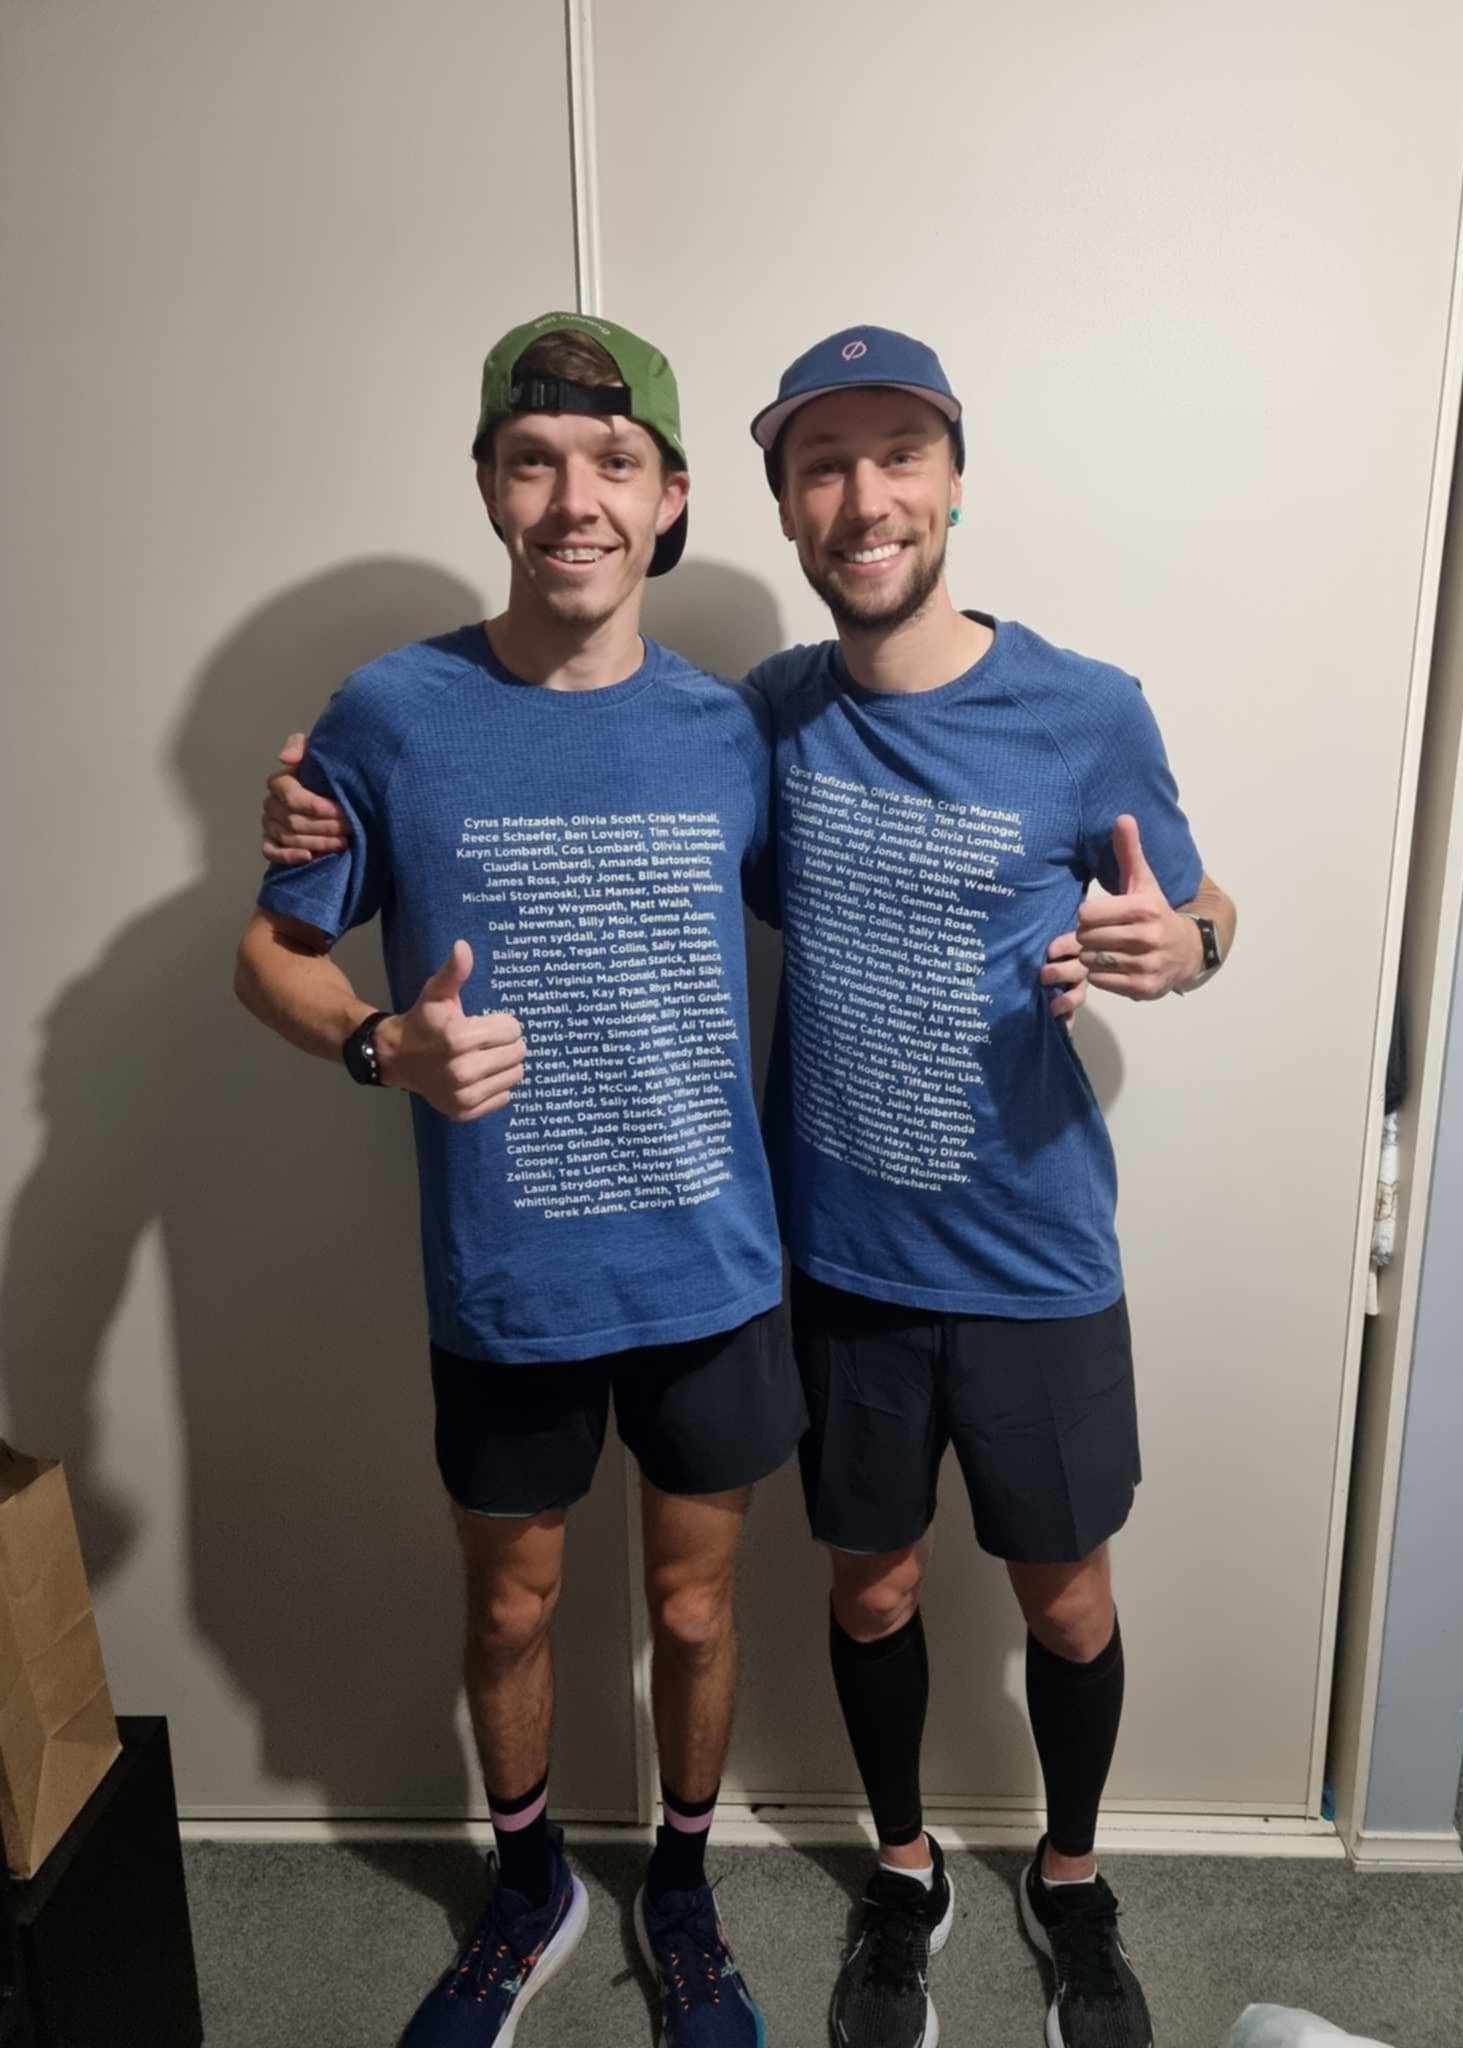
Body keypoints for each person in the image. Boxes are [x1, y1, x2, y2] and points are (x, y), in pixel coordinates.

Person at [234, 311, 810, 2048]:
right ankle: (532, 1882)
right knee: (512, 1606)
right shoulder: (389, 715)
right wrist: (377, 1045)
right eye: (536, 461)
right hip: (509, 1280)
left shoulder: (733, 731)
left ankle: (684, 1891)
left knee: (696, 1608)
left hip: (713, 1269)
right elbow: (270, 955)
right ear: (490, 485)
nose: (576, 500)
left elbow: (869, 889)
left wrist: (1163, 928)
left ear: (670, 498)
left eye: (615, 464)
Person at [745, 325, 1236, 2048]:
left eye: (899, 453)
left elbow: (1205, 905)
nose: (865, 497)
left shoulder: (1086, 710)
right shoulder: (772, 715)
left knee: (1068, 1600)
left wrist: (1187, 945)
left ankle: (1072, 1878)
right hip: (846, 1267)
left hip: (1035, 1264)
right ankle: (906, 1872)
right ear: (786, 508)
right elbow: (629, 798)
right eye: (824, 464)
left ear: (953, 478)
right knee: (869, 1589)